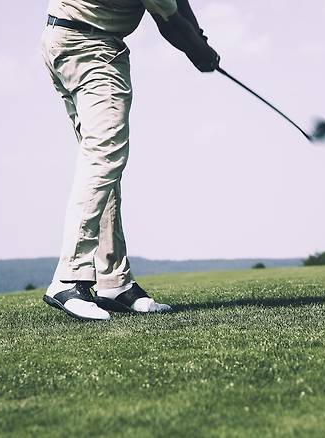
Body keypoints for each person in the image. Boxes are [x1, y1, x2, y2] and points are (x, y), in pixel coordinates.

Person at [40, 0, 219, 321]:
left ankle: (114, 282)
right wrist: (200, 50)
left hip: (62, 39)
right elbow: (170, 21)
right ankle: (69, 277)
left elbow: (177, 4)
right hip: (93, 48)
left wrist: (199, 38)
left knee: (103, 166)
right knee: (104, 157)